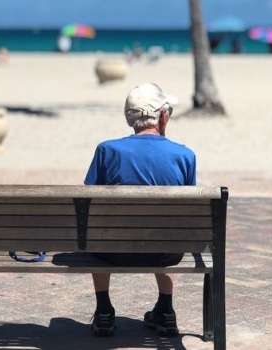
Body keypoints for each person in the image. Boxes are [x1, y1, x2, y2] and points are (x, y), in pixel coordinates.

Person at [83, 83, 196, 337]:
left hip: (112, 251)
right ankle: (166, 310)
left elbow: (87, 202)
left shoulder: (107, 150)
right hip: (165, 253)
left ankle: (103, 310)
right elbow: (186, 214)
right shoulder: (184, 156)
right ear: (163, 116)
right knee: (167, 228)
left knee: (98, 231)